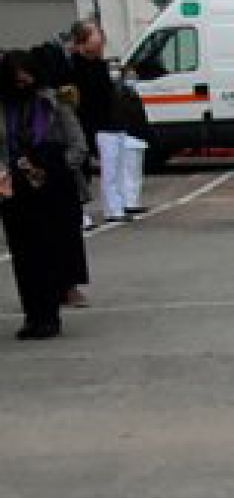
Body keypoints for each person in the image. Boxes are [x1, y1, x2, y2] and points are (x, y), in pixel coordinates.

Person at [2, 50, 83, 340]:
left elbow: (78, 145)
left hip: (50, 191)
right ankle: (32, 315)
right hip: (14, 191)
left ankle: (49, 316)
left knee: (47, 254)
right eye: (16, 79)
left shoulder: (53, 103)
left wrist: (55, 170)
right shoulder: (5, 109)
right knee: (22, 257)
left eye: (27, 77)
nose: (23, 83)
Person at [68, 19, 144, 230]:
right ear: (83, 41)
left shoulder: (100, 66)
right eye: (95, 35)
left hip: (111, 122)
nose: (101, 38)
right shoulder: (75, 66)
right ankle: (96, 210)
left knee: (116, 166)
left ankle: (116, 206)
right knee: (96, 168)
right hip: (92, 123)